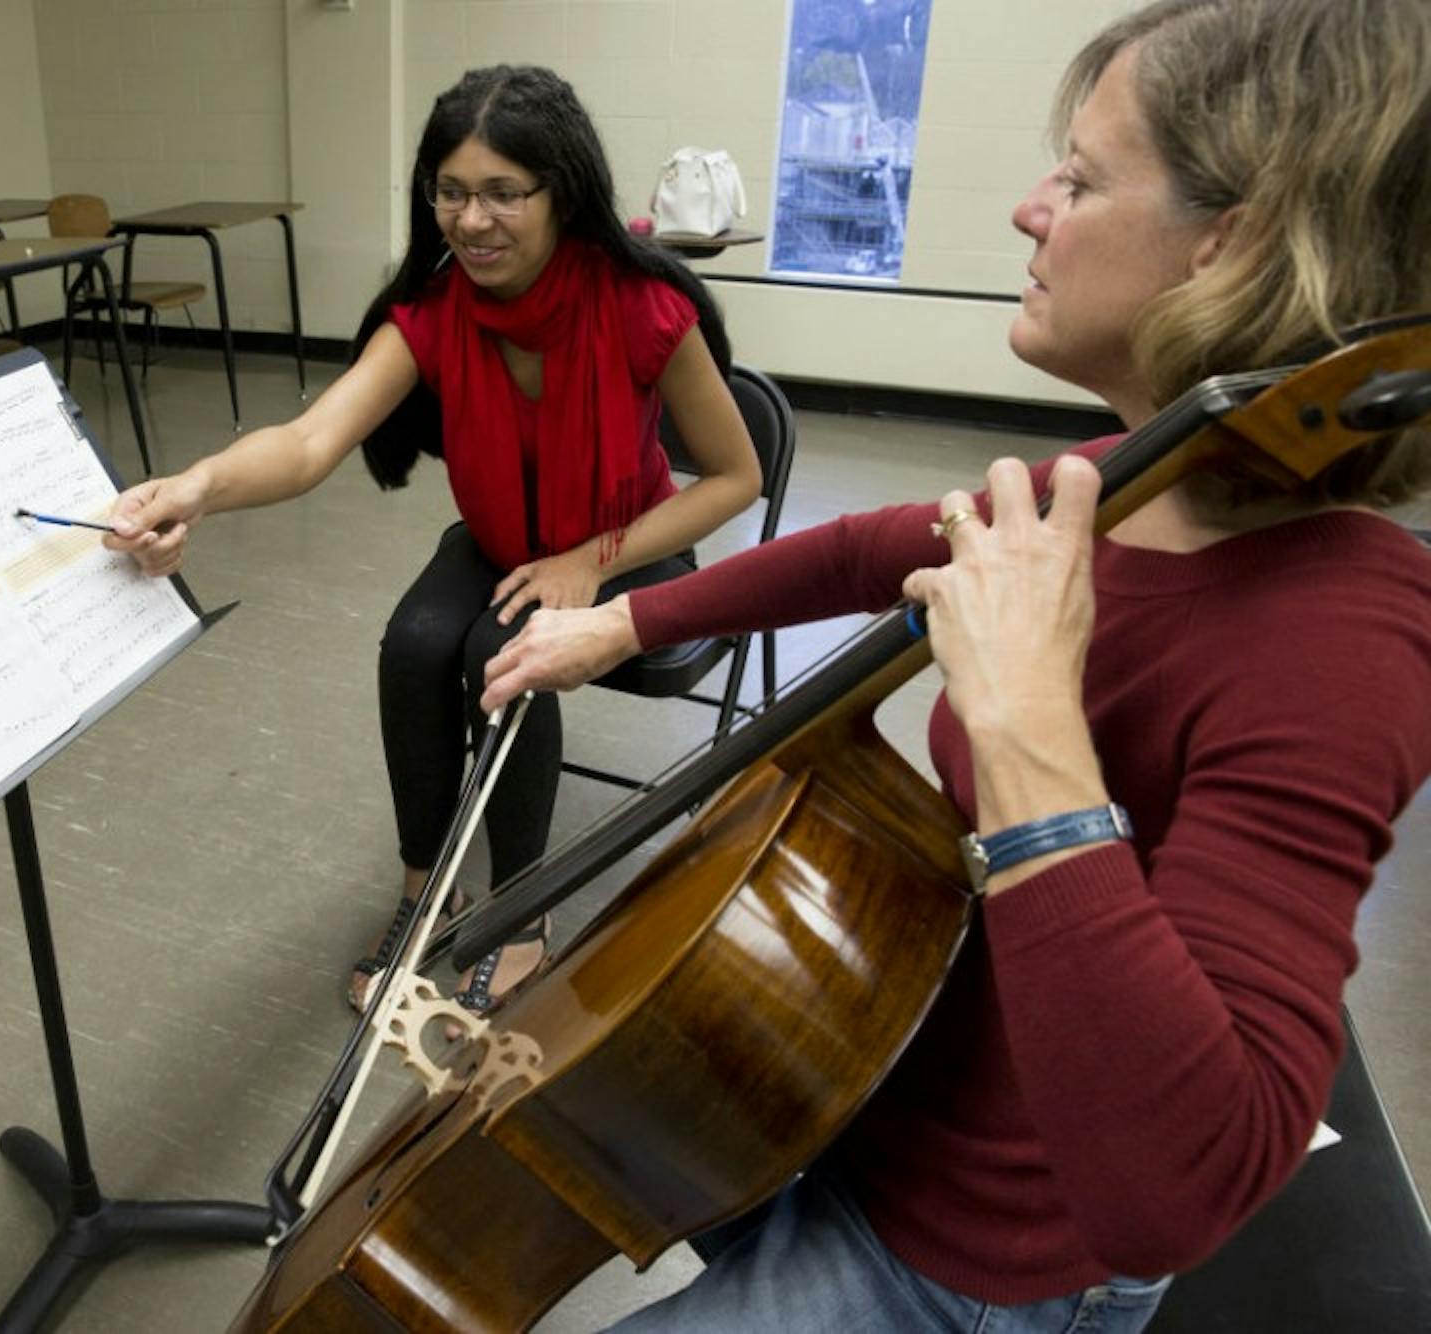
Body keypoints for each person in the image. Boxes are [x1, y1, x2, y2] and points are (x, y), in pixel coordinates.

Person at [480, 0, 1431, 1329]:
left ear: (1235, 243)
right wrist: (624, 624)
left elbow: (1180, 1185)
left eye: (1080, 180)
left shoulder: (1343, 636)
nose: (1029, 210)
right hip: (846, 1091)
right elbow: (865, 547)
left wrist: (1028, 720)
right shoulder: (1130, 477)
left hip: (970, 1258)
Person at [105, 66, 760, 1012]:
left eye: (503, 193)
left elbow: (736, 477)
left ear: (562, 192)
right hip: (499, 542)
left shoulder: (642, 304)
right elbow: (309, 443)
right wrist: (196, 487)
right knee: (414, 644)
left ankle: (524, 909)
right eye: (450, 192)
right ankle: (426, 890)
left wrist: (590, 561)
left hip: (628, 542)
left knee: (505, 651)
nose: (472, 220)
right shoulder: (437, 312)